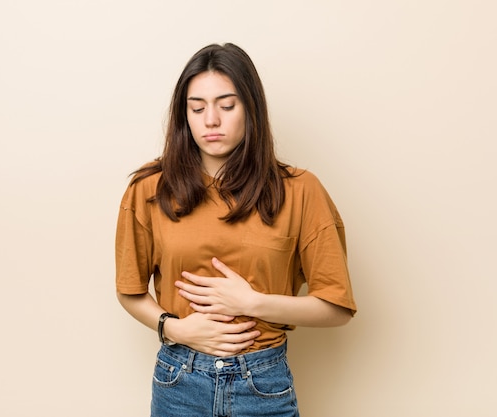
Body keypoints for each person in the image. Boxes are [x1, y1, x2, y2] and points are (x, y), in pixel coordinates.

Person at [115, 43, 356, 417]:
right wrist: (176, 330)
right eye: (197, 108)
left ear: (251, 110)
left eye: (227, 106)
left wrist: (252, 302)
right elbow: (129, 292)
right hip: (179, 379)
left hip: (263, 383)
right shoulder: (149, 188)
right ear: (185, 116)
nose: (211, 120)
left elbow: (337, 307)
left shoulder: (300, 190)